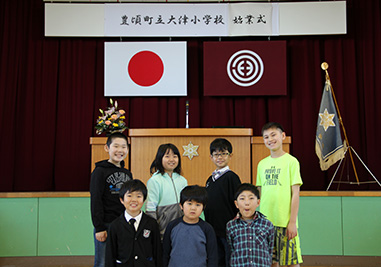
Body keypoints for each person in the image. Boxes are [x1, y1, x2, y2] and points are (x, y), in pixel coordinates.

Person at [256, 122, 303, 267]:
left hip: (285, 221)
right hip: (266, 223)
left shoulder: (291, 162)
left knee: (291, 261)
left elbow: (295, 194)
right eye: (266, 137)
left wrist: (292, 222)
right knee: (270, 261)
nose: (270, 139)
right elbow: (259, 194)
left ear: (282, 136)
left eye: (273, 135)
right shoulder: (261, 164)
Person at [90, 132, 133, 267]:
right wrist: (99, 227)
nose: (120, 150)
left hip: (123, 224)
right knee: (102, 262)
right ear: (107, 148)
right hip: (106, 225)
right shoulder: (99, 172)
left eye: (124, 147)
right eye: (116, 146)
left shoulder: (128, 173)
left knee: (121, 261)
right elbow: (96, 200)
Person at [105, 179, 163, 267]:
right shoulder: (115, 226)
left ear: (144, 200)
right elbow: (110, 255)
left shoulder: (151, 223)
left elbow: (157, 252)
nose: (134, 200)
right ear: (121, 200)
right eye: (129, 196)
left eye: (139, 196)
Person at [204, 138, 242, 267]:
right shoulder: (210, 179)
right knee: (216, 259)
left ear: (230, 155)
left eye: (223, 153)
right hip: (213, 228)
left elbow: (239, 200)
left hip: (228, 230)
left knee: (229, 260)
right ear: (211, 157)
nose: (219, 157)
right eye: (216, 154)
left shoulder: (232, 177)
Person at [163, 185, 218, 267]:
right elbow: (165, 253)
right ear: (181, 205)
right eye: (189, 203)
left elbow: (212, 257)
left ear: (203, 207)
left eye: (198, 205)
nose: (193, 208)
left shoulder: (207, 229)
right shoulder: (172, 226)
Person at [226, 183, 274, 267]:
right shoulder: (231, 226)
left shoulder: (267, 224)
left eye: (251, 198)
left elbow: (270, 250)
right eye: (242, 199)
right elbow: (231, 249)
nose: (247, 203)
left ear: (258, 202)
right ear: (236, 204)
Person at [146, 143, 188, 238]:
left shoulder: (183, 180)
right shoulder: (154, 180)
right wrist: (154, 229)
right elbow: (150, 208)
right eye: (167, 156)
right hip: (162, 230)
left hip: (180, 229)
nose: (172, 160)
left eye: (175, 156)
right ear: (160, 158)